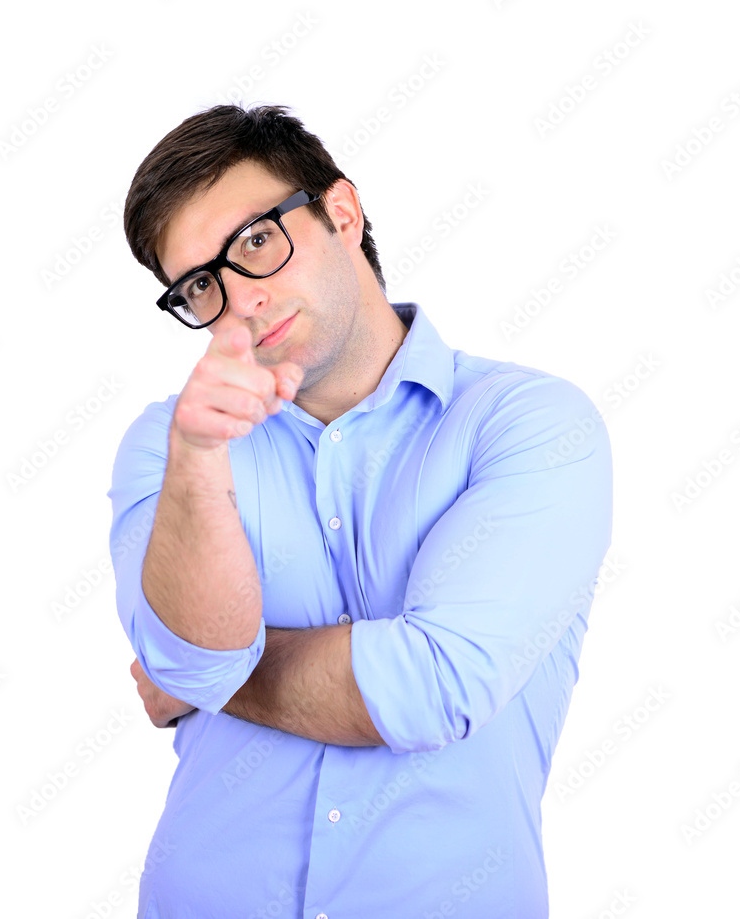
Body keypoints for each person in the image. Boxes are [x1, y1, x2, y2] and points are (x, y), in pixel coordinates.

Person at [107, 103, 613, 919]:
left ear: (341, 213)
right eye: (201, 283)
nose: (239, 300)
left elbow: (436, 684)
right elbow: (185, 664)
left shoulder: (529, 423)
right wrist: (199, 464)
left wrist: (211, 677)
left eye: (257, 242)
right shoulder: (172, 444)